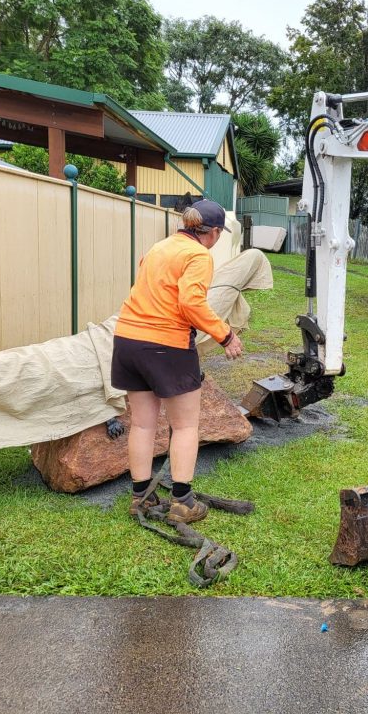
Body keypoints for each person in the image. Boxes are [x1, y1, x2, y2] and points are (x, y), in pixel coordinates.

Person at [112, 197, 244, 522]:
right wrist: (225, 334)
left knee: (142, 423)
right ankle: (183, 502)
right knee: (185, 425)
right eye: (218, 235)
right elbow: (191, 303)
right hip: (165, 344)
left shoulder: (160, 247)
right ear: (212, 233)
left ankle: (141, 496)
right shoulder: (198, 255)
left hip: (127, 340)